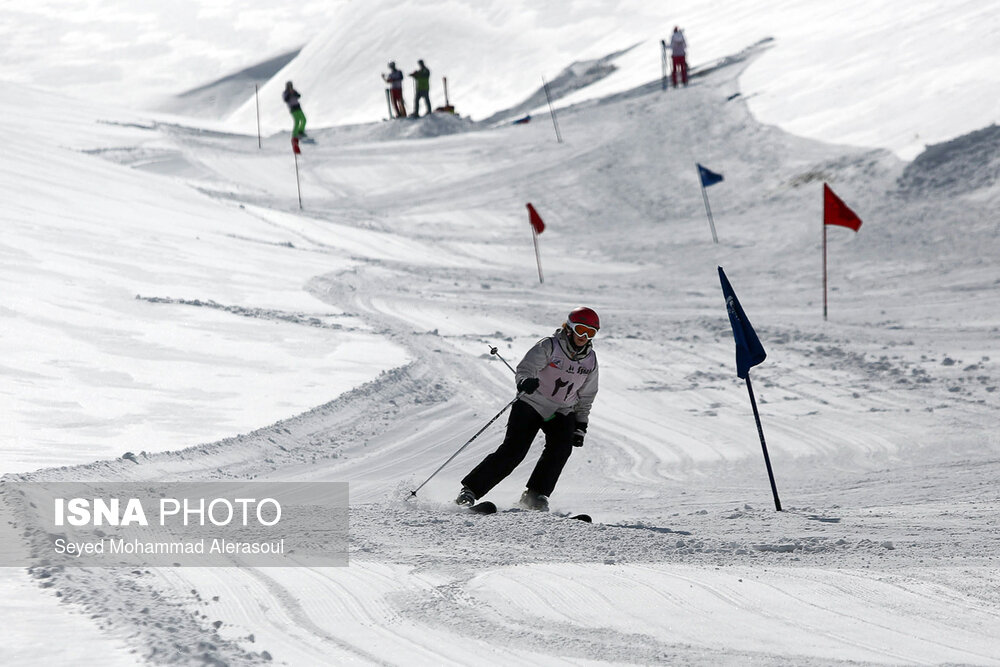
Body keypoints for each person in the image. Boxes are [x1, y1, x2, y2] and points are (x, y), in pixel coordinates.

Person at [456, 307, 601, 511]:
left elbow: (586, 395)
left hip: (560, 411)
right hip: (532, 404)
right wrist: (525, 381)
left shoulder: (591, 360)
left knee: (561, 448)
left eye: (591, 332)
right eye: (580, 330)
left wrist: (580, 424)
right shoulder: (549, 346)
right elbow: (526, 368)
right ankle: (470, 491)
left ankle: (535, 495)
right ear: (569, 328)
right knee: (514, 451)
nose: (584, 337)